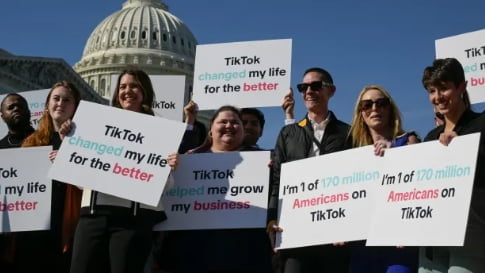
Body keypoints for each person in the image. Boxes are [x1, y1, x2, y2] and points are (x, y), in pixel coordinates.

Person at [69, 69, 179, 273]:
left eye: (134, 86)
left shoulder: (160, 130)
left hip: (134, 220)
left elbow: (166, 186)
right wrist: (71, 149)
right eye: (123, 86)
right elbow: (80, 178)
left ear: (145, 91)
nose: (128, 91)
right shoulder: (96, 125)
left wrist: (166, 168)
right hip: (93, 215)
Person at [161, 105, 273, 273]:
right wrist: (168, 170)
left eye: (235, 122)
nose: (229, 126)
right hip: (195, 253)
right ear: (211, 130)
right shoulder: (188, 160)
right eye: (223, 122)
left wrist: (273, 172)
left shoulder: (265, 162)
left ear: (243, 131)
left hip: (246, 253)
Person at [269, 67, 351, 273]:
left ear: (331, 91)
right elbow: (278, 178)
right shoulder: (289, 133)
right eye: (303, 87)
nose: (308, 91)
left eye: (315, 86)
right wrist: (271, 218)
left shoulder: (348, 133)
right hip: (296, 234)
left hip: (334, 232)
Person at [419, 58, 485, 273]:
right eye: (432, 91)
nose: (437, 97)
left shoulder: (481, 125)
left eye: (444, 89)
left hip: (470, 238)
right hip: (431, 242)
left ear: (462, 87)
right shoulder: (430, 138)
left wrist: (462, 150)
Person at [348, 84, 420, 273]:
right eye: (367, 104)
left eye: (381, 103)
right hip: (363, 245)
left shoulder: (409, 141)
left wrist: (396, 153)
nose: (374, 108)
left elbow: (420, 185)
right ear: (360, 113)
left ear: (390, 108)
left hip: (398, 243)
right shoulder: (353, 155)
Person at [17, 81, 82, 273]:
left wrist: (67, 160)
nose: (60, 103)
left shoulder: (85, 142)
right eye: (56, 98)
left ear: (75, 107)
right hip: (35, 226)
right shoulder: (31, 142)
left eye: (67, 100)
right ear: (47, 105)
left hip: (69, 222)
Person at [0, 93, 35, 272]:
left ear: (29, 111)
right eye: (11, 107)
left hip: (38, 237)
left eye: (21, 106)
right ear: (2, 115)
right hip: (4, 237)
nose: (16, 109)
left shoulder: (45, 143)